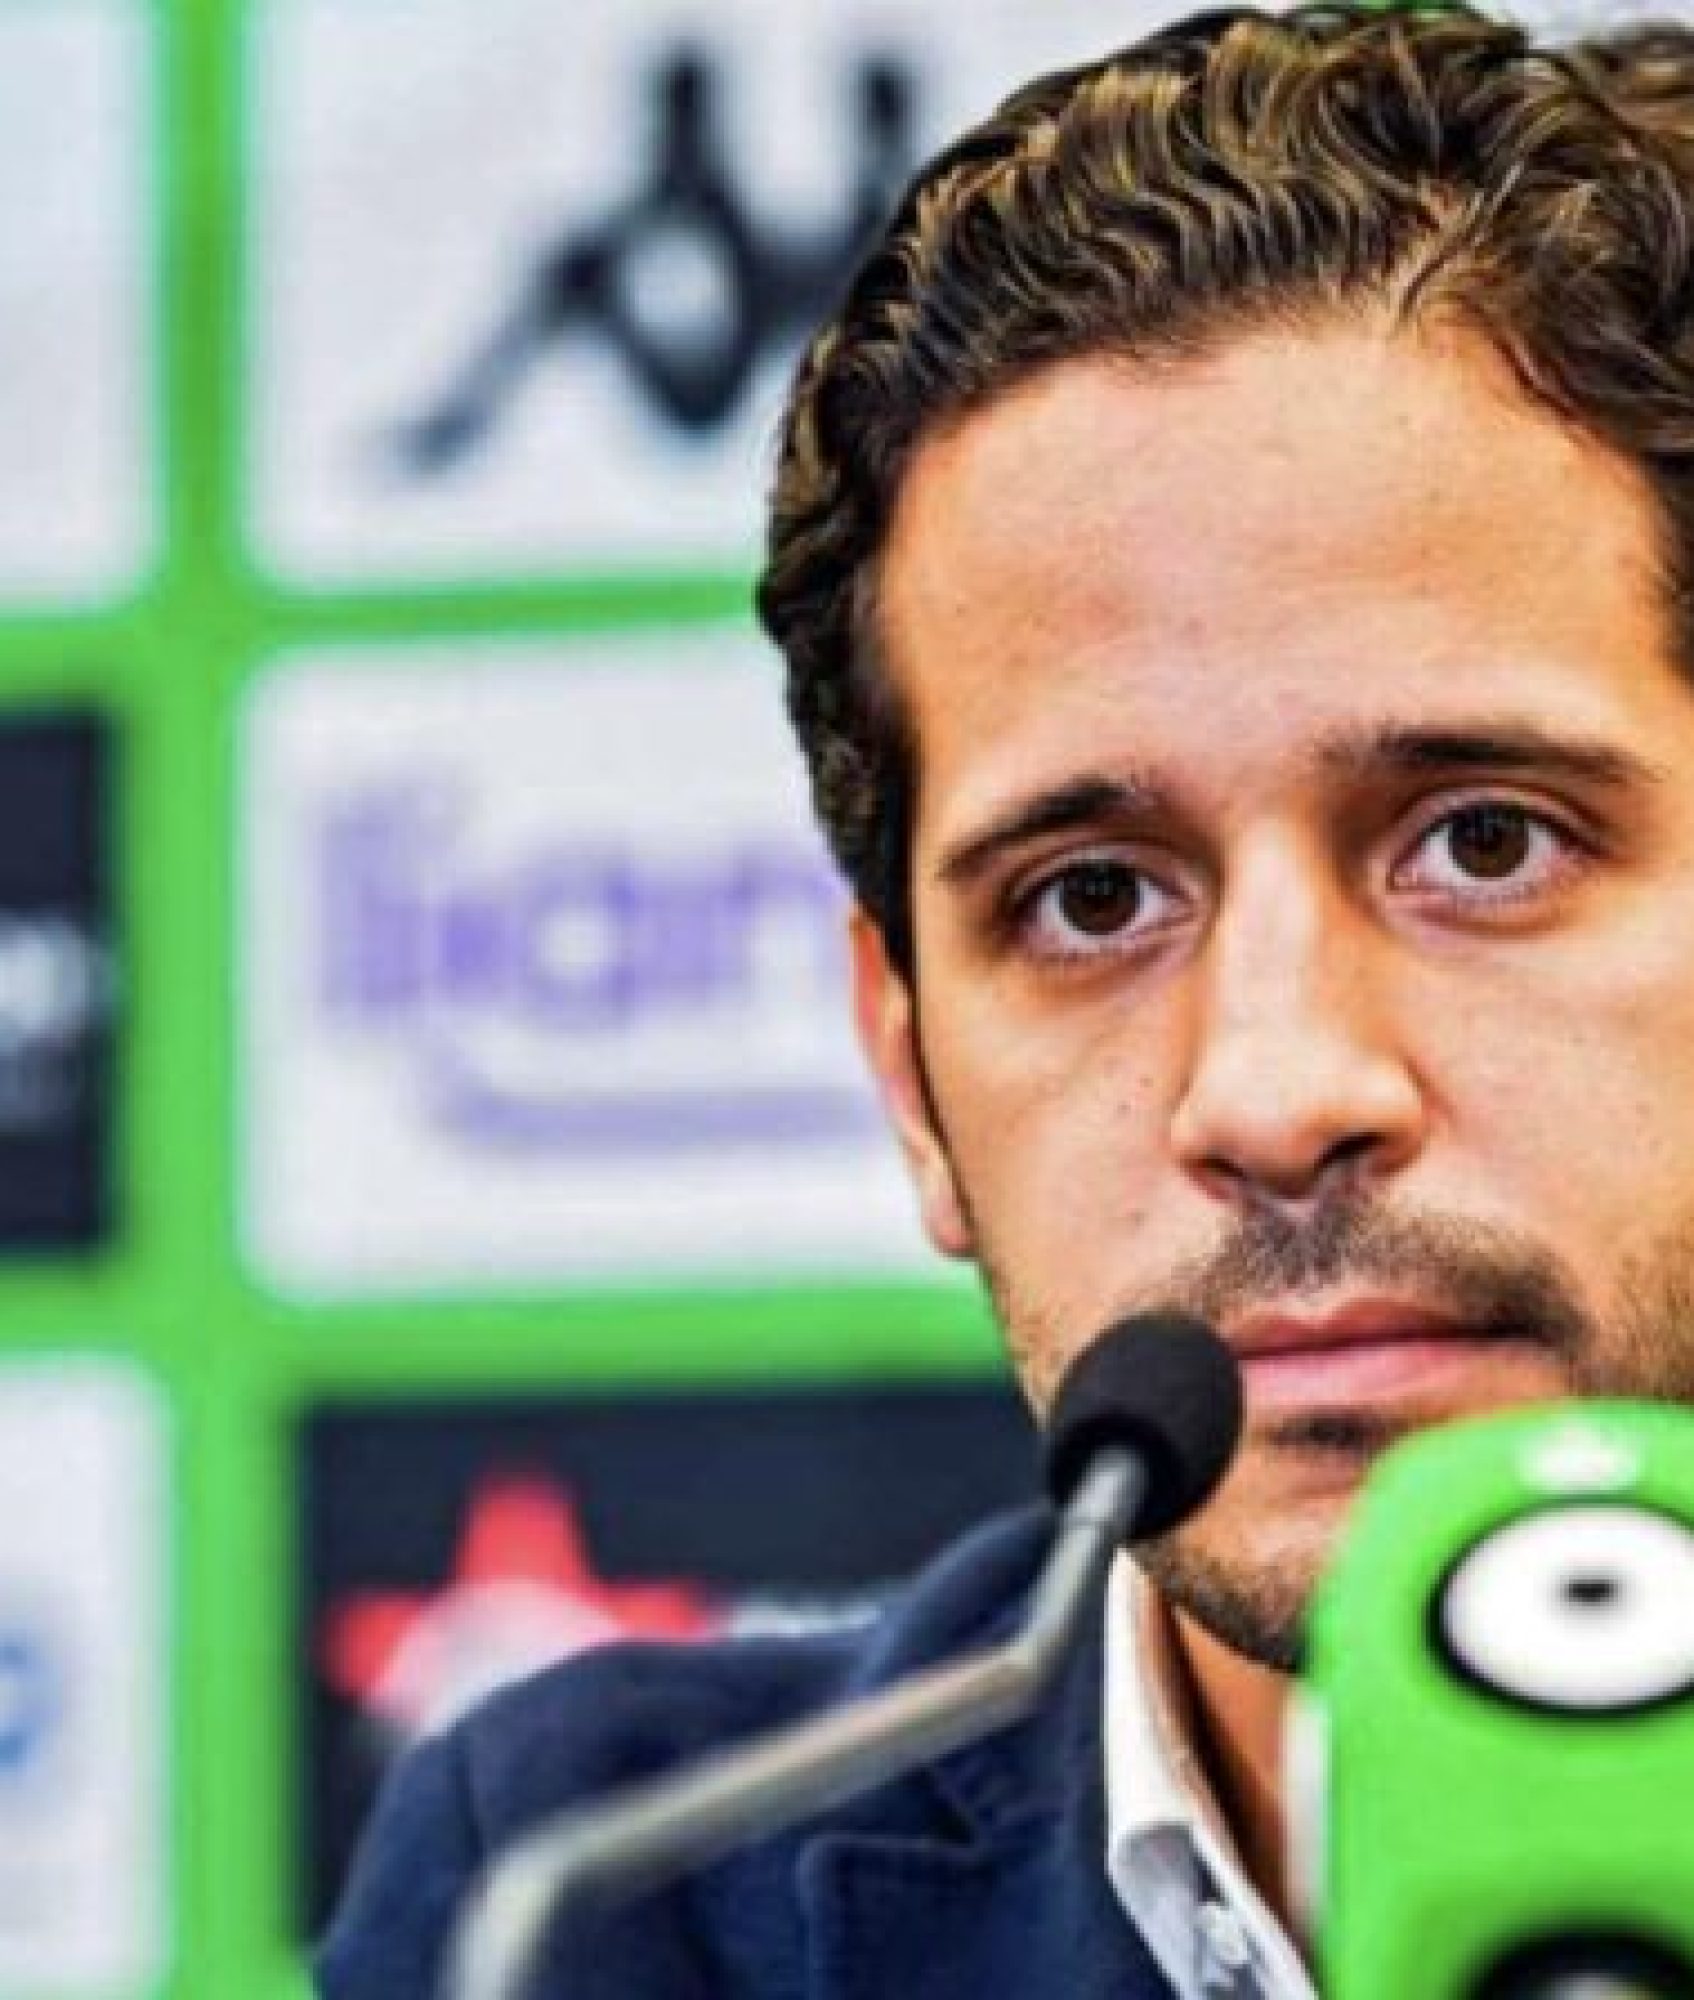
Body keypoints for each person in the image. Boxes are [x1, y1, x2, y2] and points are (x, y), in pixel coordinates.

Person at [316, 6, 1694, 1995]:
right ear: (909, 1076)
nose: (1273, 1089)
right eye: (1092, 897)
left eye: (1483, 842)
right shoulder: (607, 1904)